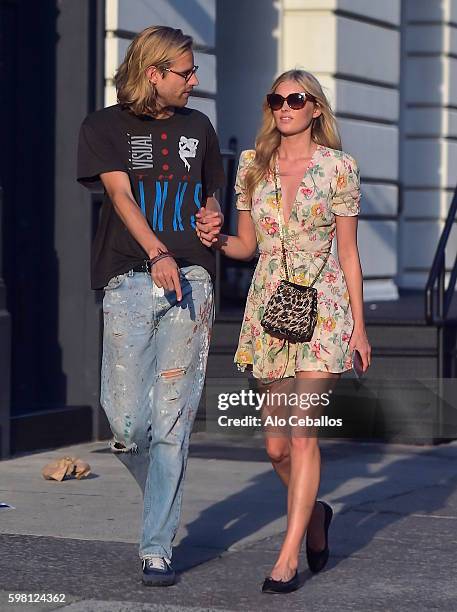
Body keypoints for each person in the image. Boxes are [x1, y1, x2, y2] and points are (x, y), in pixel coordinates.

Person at [203, 69, 371, 593]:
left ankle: (287, 556)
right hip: (272, 306)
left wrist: (360, 330)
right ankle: (317, 515)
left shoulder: (339, 168)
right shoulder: (252, 166)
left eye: (295, 99)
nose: (284, 107)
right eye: (276, 99)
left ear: (315, 108)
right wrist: (212, 236)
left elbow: (348, 253)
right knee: (276, 447)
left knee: (302, 433)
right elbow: (246, 247)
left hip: (326, 305)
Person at [76, 25, 225, 587]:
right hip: (129, 280)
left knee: (171, 424)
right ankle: (165, 488)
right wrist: (156, 250)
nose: (194, 81)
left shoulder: (200, 127)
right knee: (128, 422)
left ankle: (156, 545)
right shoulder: (103, 125)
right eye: (185, 72)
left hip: (192, 281)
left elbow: (212, 191)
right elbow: (120, 195)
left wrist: (211, 217)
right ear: (153, 73)